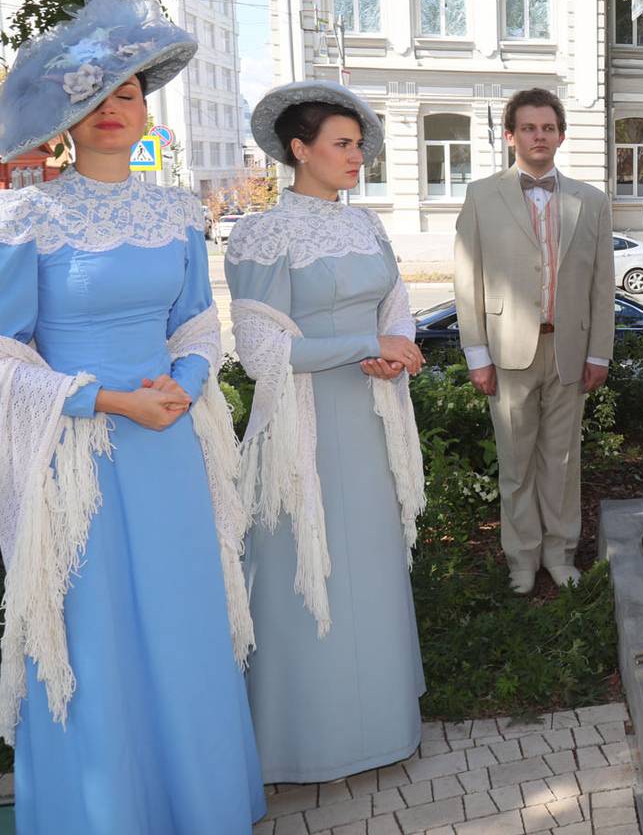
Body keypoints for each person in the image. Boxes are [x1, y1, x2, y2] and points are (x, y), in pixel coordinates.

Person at [0, 0, 262, 832]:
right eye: (94, 95)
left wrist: (186, 385)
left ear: (145, 105)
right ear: (65, 115)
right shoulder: (20, 217)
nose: (113, 108)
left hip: (169, 452)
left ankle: (201, 810)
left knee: (181, 626)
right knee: (94, 643)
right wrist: (103, 398)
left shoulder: (174, 210)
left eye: (127, 92)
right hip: (77, 463)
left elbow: (198, 323)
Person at [226, 80, 427, 783]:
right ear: (299, 149)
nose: (356, 155)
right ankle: (304, 744)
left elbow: (398, 307)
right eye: (342, 144)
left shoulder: (368, 226)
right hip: (303, 434)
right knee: (302, 575)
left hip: (372, 423)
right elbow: (259, 351)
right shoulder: (262, 232)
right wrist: (361, 346)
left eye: (359, 145)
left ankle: (385, 724)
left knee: (369, 571)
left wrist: (395, 344)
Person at [454, 88, 614, 595]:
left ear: (561, 135)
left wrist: (599, 353)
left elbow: (601, 283)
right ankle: (521, 559)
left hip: (569, 351)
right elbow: (468, 279)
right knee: (516, 463)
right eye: (528, 127)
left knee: (562, 461)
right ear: (510, 136)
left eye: (547, 127)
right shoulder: (482, 196)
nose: (538, 136)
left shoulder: (591, 201)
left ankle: (560, 553)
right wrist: (477, 354)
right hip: (507, 353)